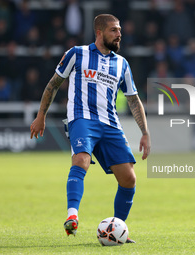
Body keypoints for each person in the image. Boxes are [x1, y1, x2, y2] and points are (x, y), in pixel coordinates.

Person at [30, 14, 150, 243]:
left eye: (119, 30)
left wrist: (145, 132)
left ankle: (116, 230)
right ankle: (72, 217)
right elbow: (53, 84)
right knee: (81, 160)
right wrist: (41, 116)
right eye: (114, 30)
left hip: (111, 124)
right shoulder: (77, 54)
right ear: (99, 32)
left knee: (129, 179)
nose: (119, 34)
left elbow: (134, 100)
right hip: (82, 119)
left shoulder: (122, 63)